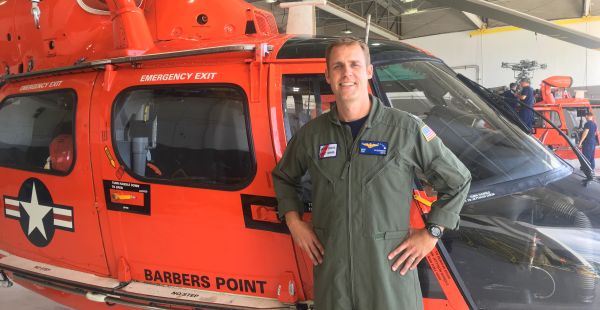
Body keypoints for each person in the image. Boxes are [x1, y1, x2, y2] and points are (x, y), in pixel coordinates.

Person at [271, 37, 472, 309]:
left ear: (368, 71)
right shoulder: (311, 135)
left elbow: (457, 180)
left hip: (388, 277)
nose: (347, 73)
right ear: (327, 75)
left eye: (355, 64)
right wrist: (295, 223)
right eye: (338, 66)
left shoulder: (404, 129)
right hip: (334, 280)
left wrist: (432, 233)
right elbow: (284, 177)